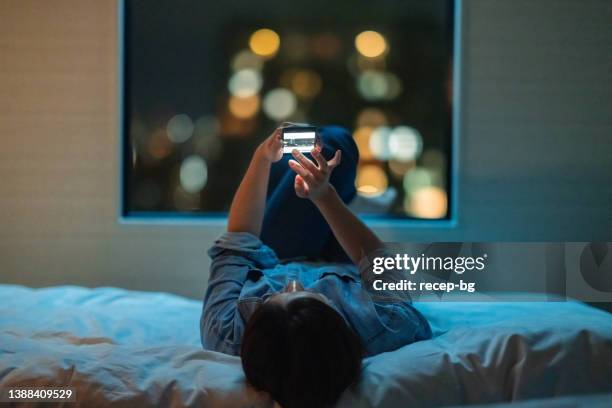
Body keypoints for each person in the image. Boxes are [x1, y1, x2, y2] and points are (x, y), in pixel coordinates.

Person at [200, 125, 432, 408]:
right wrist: (326, 196)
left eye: (277, 295)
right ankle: (346, 200)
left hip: (277, 254)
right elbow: (374, 257)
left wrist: (261, 157)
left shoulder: (226, 333)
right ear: (337, 320)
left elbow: (241, 237)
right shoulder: (386, 327)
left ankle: (346, 198)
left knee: (319, 150)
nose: (295, 283)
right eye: (306, 294)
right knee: (336, 144)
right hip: (345, 263)